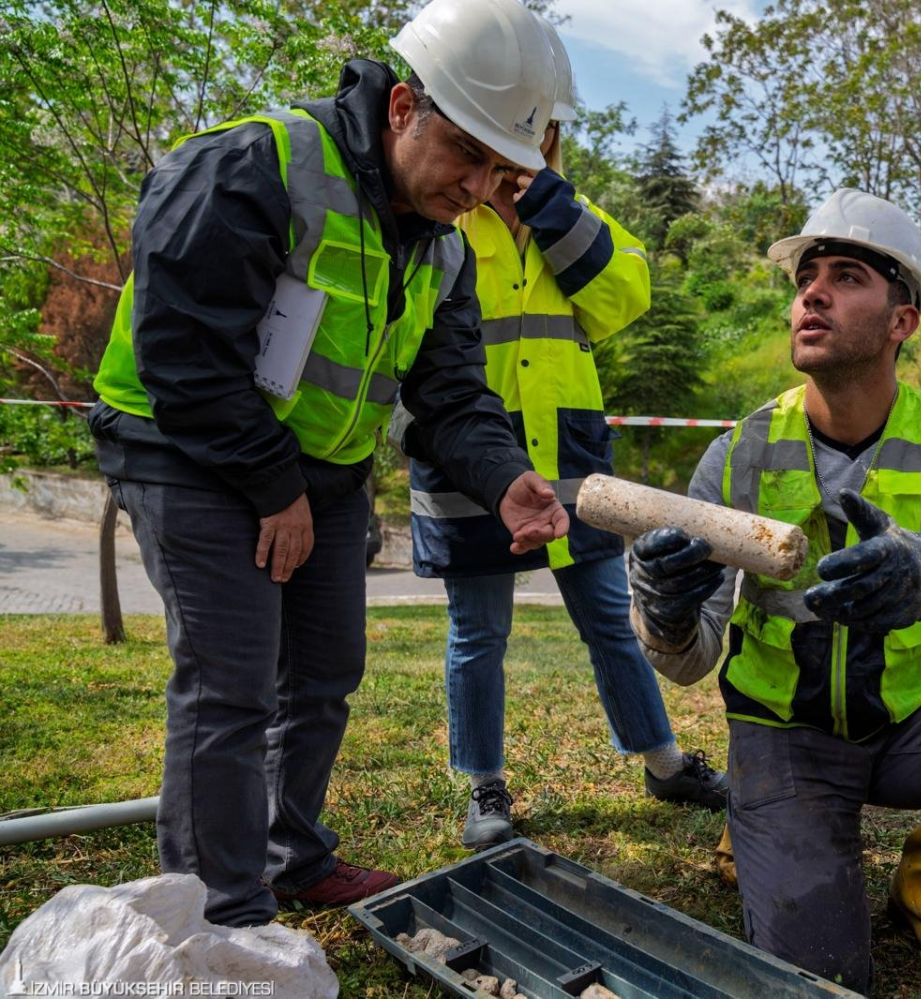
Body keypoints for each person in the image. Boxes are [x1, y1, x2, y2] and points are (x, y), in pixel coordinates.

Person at [87, 0, 568, 927]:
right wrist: (273, 486)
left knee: (323, 670)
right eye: (465, 155)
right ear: (400, 108)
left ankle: (288, 853)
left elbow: (453, 393)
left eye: (498, 170)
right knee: (230, 676)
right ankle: (213, 912)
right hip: (181, 442)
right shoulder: (253, 166)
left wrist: (502, 474)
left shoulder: (443, 246)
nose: (475, 187)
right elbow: (181, 351)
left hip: (322, 470)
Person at [625, 190, 921, 992]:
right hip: (785, 734)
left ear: (901, 320)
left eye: (846, 276)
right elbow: (688, 661)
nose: (811, 292)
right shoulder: (737, 451)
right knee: (825, 974)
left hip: (909, 727)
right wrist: (664, 611)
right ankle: (762, 815)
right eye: (806, 277)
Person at [400, 14, 727, 851]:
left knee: (611, 621)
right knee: (478, 635)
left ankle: (662, 762)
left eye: (533, 139)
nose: (507, 158)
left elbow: (624, 298)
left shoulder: (571, 219)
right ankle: (483, 786)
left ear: (550, 138)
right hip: (469, 468)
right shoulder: (441, 217)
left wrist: (546, 201)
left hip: (572, 467)